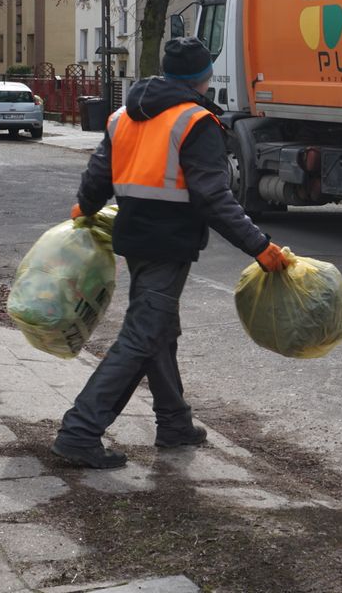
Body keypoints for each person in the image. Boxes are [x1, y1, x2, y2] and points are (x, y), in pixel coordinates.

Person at [50, 37, 290, 469]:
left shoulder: (123, 115)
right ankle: (80, 431)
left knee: (159, 330)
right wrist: (259, 246)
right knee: (142, 336)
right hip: (169, 244)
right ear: (204, 77)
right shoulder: (197, 122)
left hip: (135, 239)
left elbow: (98, 173)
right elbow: (213, 197)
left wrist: (84, 207)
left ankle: (175, 422)